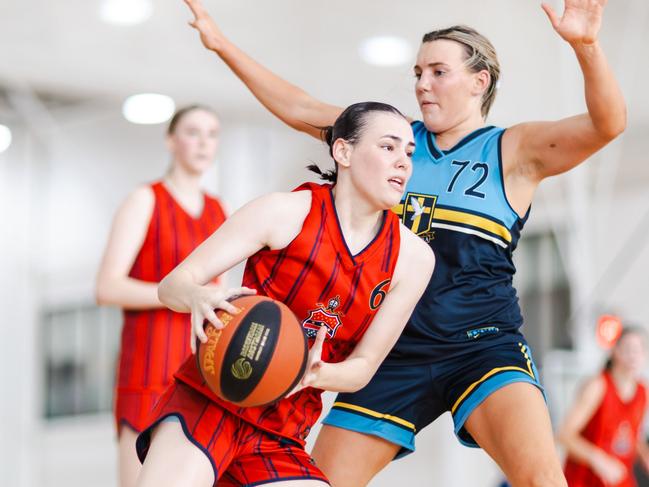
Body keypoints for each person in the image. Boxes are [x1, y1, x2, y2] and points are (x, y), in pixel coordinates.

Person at [180, 0, 626, 485]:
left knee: (542, 478)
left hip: (482, 346)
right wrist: (221, 45)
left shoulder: (512, 150)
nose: (421, 84)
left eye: (438, 71)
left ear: (480, 82)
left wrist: (586, 46)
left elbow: (608, 124)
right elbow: (300, 107)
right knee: (318, 479)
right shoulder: (390, 143)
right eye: (417, 72)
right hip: (393, 352)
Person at [133, 102, 435, 487]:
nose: (403, 163)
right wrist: (197, 296)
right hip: (211, 400)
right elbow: (172, 284)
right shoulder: (282, 212)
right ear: (343, 151)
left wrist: (314, 374)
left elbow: (363, 368)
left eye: (409, 153)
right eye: (388, 147)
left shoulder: (413, 258)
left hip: (283, 429)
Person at [95, 105, 227, 487]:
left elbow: (223, 293)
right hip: (148, 368)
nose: (203, 143)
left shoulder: (220, 211)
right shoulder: (145, 200)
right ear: (171, 141)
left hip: (201, 371)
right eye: (192, 132)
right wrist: (183, 295)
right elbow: (107, 286)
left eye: (212, 133)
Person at [559, 327, 649, 487]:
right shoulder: (598, 386)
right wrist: (599, 460)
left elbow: (631, 435)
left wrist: (644, 456)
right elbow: (565, 435)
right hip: (585, 479)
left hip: (619, 478)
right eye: (628, 349)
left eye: (638, 350)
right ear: (615, 351)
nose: (633, 356)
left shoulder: (643, 392)